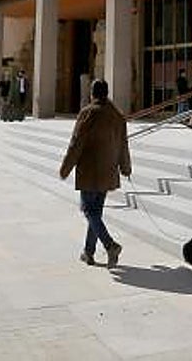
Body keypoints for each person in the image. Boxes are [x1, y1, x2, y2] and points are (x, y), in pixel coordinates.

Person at [59, 78, 131, 268]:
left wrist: (66, 168)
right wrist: (126, 167)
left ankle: (110, 245)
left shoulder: (88, 113)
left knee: (89, 211)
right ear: (106, 93)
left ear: (92, 93)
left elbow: (76, 143)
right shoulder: (117, 115)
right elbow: (124, 144)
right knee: (96, 212)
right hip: (108, 171)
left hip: (90, 171)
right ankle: (88, 252)